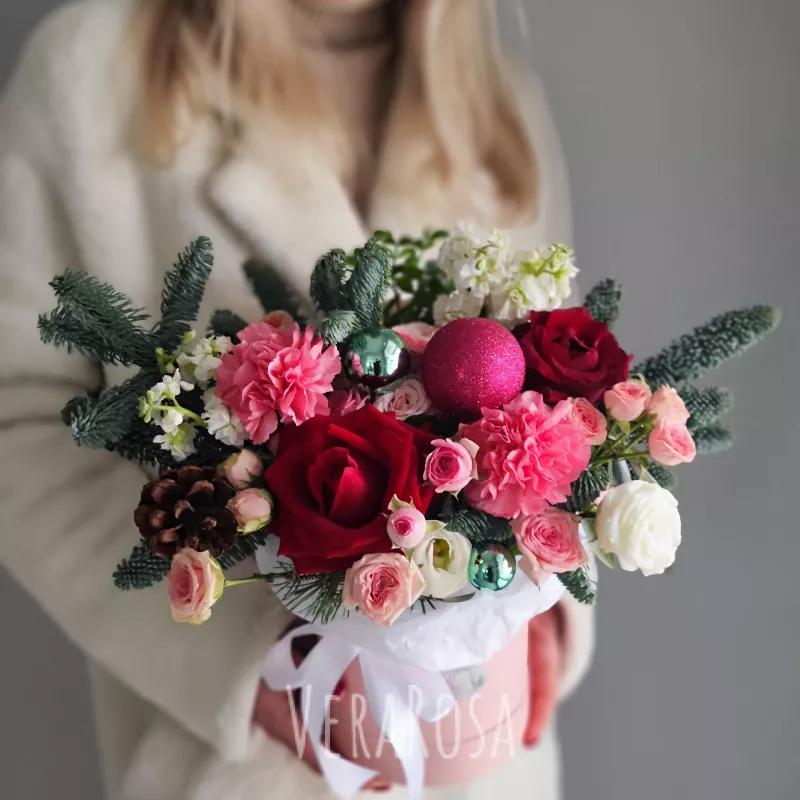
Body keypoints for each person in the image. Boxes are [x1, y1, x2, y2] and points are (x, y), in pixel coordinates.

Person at [0, 0, 593, 797]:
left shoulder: (498, 99)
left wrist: (553, 614)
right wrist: (248, 659)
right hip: (249, 765)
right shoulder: (97, 73)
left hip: (486, 752)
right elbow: (17, 418)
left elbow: (566, 404)